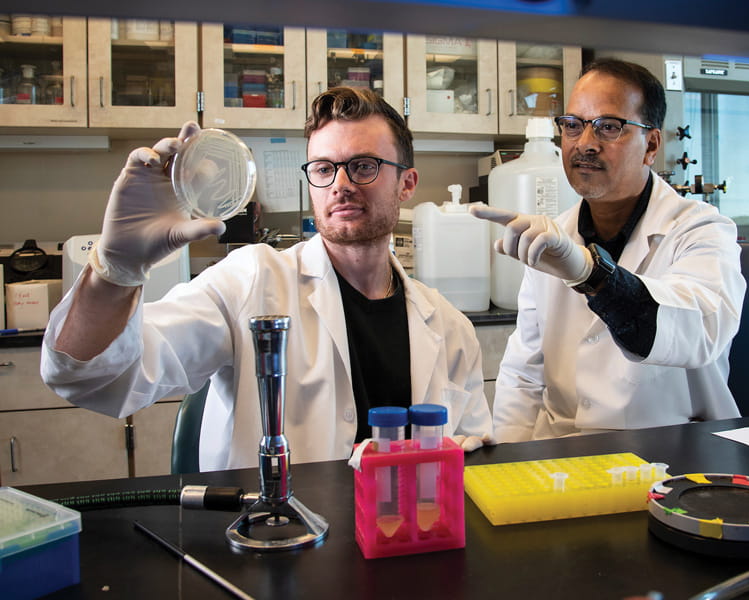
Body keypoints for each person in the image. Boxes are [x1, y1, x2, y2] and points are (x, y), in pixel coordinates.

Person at [41, 87, 493, 470]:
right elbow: (94, 379)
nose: (340, 184)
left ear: (407, 184)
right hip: (275, 554)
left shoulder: (450, 327)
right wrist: (115, 273)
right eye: (323, 168)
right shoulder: (252, 280)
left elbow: (472, 455)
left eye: (364, 166)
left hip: (408, 543)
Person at [470, 58, 746, 442]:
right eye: (572, 126)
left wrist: (592, 274)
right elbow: (525, 371)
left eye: (608, 127)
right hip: (563, 453)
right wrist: (507, 460)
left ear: (651, 145)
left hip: (675, 450)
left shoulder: (701, 229)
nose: (585, 144)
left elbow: (700, 330)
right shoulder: (555, 235)